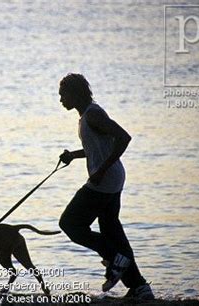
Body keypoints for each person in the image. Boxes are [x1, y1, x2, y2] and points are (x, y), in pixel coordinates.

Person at [57, 73, 154, 300]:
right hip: (111, 181)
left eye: (63, 94)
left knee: (70, 223)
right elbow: (98, 147)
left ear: (76, 93)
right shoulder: (86, 116)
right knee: (112, 231)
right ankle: (139, 287)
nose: (61, 99)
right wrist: (74, 155)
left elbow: (123, 137)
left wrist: (101, 170)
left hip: (104, 182)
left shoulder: (93, 115)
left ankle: (113, 257)